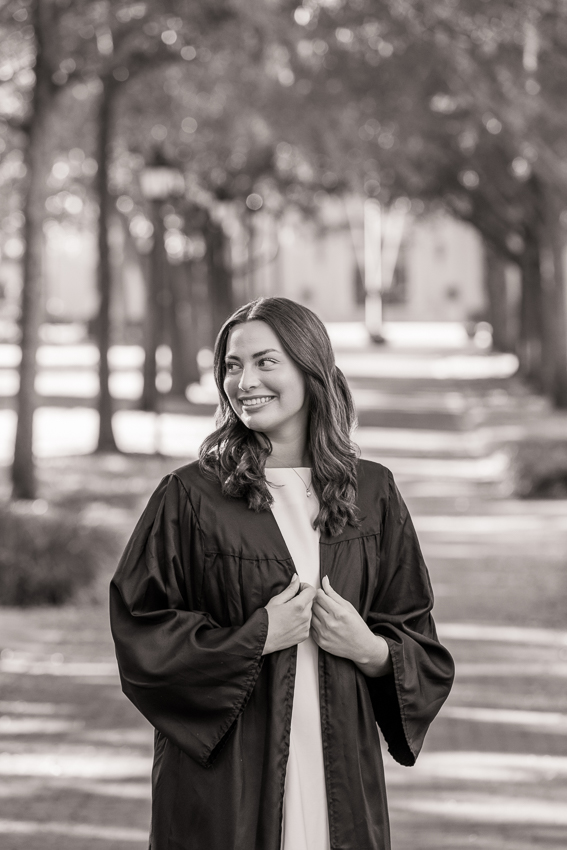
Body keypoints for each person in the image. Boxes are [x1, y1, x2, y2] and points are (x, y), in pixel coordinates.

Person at [110, 296, 454, 850]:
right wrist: (258, 636)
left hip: (340, 772)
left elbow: (421, 643)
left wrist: (368, 648)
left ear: (309, 368)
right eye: (232, 365)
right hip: (227, 785)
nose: (245, 381)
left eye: (266, 362)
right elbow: (142, 637)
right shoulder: (191, 497)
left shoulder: (372, 493)